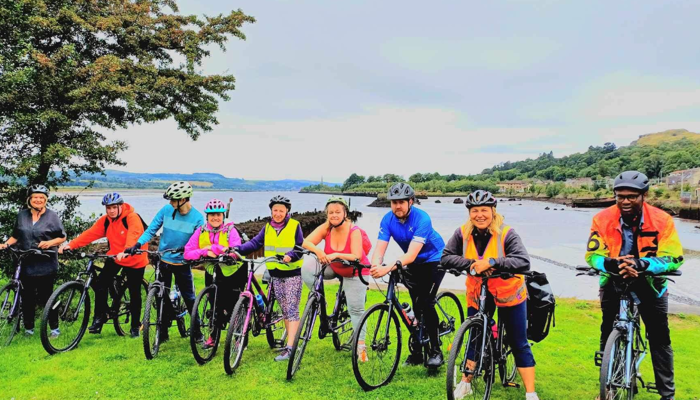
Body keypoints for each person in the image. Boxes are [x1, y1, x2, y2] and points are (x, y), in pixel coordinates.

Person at [586, 171, 683, 400]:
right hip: (614, 279)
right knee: (607, 329)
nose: (625, 201)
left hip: (650, 284)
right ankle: (607, 384)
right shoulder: (602, 219)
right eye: (620, 196)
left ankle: (667, 394)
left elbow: (674, 257)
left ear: (644, 195)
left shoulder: (662, 220)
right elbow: (592, 254)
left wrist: (641, 264)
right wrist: (612, 263)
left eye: (632, 196)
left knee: (659, 338)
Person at [441, 190, 538, 400]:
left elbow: (523, 261)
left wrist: (493, 262)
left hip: (508, 292)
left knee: (518, 341)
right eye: (475, 210)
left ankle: (531, 393)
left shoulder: (507, 233)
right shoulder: (462, 233)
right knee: (474, 337)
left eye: (484, 210)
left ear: (493, 211)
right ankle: (465, 383)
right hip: (478, 291)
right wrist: (471, 265)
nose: (480, 215)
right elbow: (446, 257)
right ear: (469, 213)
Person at [369, 182, 446, 368]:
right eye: (394, 202)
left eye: (401, 202)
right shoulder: (387, 220)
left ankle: (436, 351)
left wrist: (388, 268)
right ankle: (418, 352)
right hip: (413, 262)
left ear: (411, 201)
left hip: (435, 259)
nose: (397, 206)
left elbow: (411, 254)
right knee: (415, 305)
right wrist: (375, 264)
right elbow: (380, 247)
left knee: (426, 303)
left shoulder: (422, 219)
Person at [122, 181, 204, 343]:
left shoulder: (198, 218)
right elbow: (152, 229)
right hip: (164, 260)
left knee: (189, 298)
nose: (170, 203)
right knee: (160, 295)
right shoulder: (167, 210)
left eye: (173, 200)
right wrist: (137, 244)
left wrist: (187, 250)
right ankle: (163, 331)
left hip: (182, 263)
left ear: (184, 199)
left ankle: (197, 332)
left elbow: (198, 241)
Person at [59, 192, 149, 338]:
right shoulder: (106, 220)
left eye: (114, 207)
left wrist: (127, 250)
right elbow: (90, 234)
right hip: (115, 256)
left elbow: (135, 234)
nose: (111, 211)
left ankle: (135, 325)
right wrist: (71, 245)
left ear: (121, 206)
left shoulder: (132, 217)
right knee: (101, 284)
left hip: (134, 259)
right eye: (108, 208)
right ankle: (100, 316)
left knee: (134, 292)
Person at [235, 195, 303, 362]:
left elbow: (300, 247)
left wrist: (291, 255)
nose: (278, 213)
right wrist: (236, 250)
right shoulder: (267, 227)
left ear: (287, 210)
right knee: (285, 309)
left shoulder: (295, 225)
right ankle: (290, 343)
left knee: (291, 310)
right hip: (275, 274)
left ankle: (291, 347)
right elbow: (255, 243)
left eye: (281, 210)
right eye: (275, 210)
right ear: (271, 211)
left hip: (291, 273)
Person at [301, 196, 370, 361]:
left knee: (356, 310)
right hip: (335, 267)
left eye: (337, 212)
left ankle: (361, 348)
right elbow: (306, 242)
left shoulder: (354, 231)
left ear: (345, 213)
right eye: (330, 212)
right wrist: (319, 252)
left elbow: (356, 256)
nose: (334, 215)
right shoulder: (327, 228)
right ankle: (319, 300)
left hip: (355, 270)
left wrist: (336, 254)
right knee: (308, 266)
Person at [0, 185, 66, 337]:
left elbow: (62, 237)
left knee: (47, 297)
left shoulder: (52, 216)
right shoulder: (22, 216)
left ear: (46, 200)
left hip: (46, 262)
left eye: (41, 198)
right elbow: (15, 236)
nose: (38, 200)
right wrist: (5, 244)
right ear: (29, 199)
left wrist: (50, 243)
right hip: (26, 261)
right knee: (27, 297)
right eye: (35, 197)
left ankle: (54, 328)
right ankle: (29, 329)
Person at [184, 198, 246, 349]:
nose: (215, 218)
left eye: (218, 214)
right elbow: (187, 253)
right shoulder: (201, 231)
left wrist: (218, 250)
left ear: (223, 216)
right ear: (207, 217)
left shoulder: (231, 230)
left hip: (234, 271)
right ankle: (213, 336)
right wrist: (206, 251)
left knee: (233, 306)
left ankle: (239, 337)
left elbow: (235, 249)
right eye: (212, 215)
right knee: (214, 305)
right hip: (213, 271)